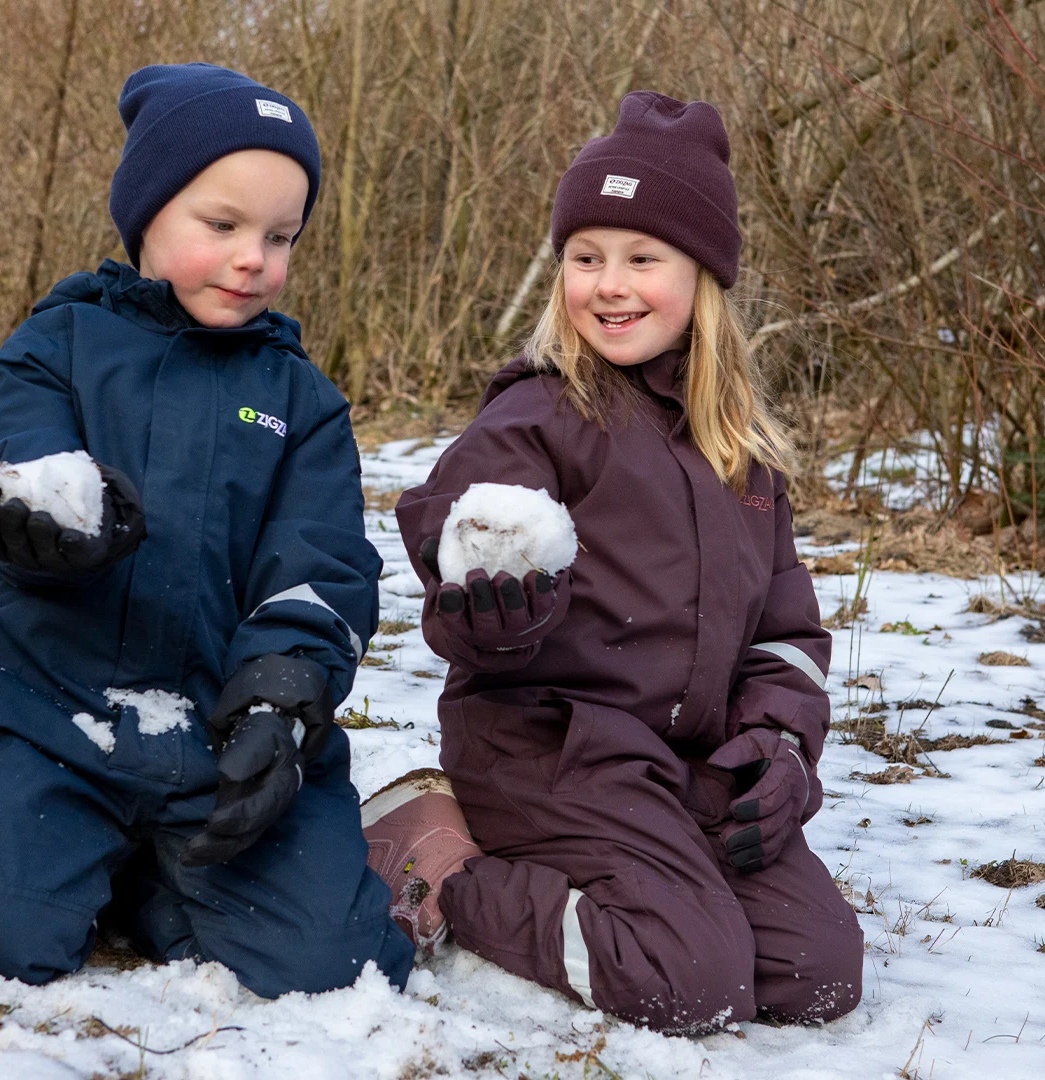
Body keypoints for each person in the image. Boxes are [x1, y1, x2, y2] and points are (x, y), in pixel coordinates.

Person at [0, 62, 413, 996]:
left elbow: (321, 563)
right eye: (223, 226)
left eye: (281, 238)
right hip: (48, 712)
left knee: (334, 965)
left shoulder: (300, 402)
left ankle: (147, 873)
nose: (253, 260)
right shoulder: (61, 343)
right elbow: (6, 450)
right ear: (148, 215)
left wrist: (282, 697)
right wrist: (40, 506)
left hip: (219, 737)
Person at [365, 91, 864, 1033]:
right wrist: (488, 599)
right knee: (689, 978)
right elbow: (457, 524)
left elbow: (787, 633)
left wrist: (782, 745)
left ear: (704, 277)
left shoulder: (742, 453)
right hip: (552, 751)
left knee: (815, 973)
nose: (610, 283)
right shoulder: (539, 416)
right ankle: (442, 870)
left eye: (644, 258)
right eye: (585, 259)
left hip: (692, 764)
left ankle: (653, 877)